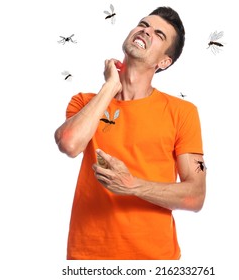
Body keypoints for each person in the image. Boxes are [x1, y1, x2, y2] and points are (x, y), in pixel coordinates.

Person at [54, 6, 206, 260]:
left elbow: (195, 196)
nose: (146, 31)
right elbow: (69, 144)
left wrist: (133, 186)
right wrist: (111, 86)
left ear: (164, 62)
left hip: (154, 260)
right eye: (143, 24)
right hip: (88, 256)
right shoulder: (85, 103)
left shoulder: (182, 112)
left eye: (159, 34)